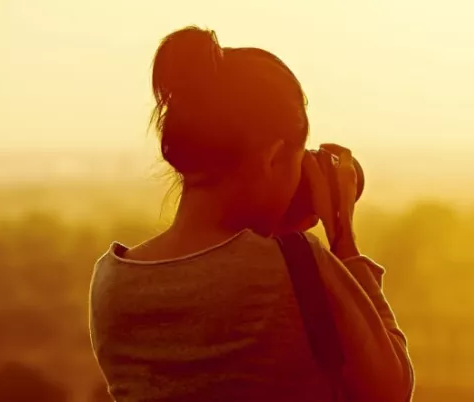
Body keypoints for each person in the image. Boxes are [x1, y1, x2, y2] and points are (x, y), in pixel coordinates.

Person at [88, 26, 413, 402]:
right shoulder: (298, 265)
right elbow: (392, 388)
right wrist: (343, 238)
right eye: (296, 161)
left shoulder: (112, 283)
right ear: (271, 158)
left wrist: (275, 235)